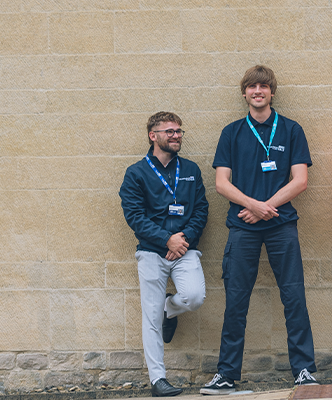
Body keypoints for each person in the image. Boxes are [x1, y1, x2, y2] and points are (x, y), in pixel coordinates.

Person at [200, 65, 318, 395]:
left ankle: (304, 370)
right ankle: (226, 375)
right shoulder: (232, 132)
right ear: (244, 93)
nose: (258, 91)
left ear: (272, 92)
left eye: (264, 87)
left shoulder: (292, 130)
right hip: (243, 227)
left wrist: (266, 209)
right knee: (236, 299)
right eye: (252, 87)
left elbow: (300, 180)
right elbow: (222, 183)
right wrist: (255, 206)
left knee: (293, 295)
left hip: (281, 226)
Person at [119, 112, 209, 396]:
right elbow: (134, 216)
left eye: (179, 131)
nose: (176, 135)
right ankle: (158, 379)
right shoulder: (136, 173)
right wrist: (165, 240)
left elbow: (202, 209)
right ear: (152, 135)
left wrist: (183, 239)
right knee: (150, 315)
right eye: (169, 131)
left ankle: (168, 311)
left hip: (184, 249)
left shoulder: (191, 169)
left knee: (194, 297)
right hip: (151, 252)